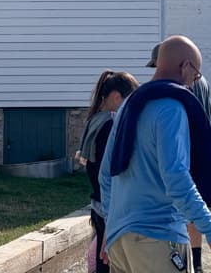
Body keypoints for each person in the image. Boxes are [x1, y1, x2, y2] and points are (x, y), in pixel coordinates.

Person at [99, 35, 211, 273]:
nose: (193, 83)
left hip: (120, 241)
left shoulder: (128, 107)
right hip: (157, 237)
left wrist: (112, 224)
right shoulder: (171, 108)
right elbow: (177, 178)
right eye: (196, 74)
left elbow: (106, 175)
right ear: (186, 66)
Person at [146, 42, 211, 273]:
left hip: (185, 151)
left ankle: (192, 260)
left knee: (186, 207)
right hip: (199, 150)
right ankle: (196, 260)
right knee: (195, 207)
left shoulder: (178, 94)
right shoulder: (203, 83)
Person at [77, 70, 139, 273]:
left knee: (98, 260)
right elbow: (110, 170)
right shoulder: (110, 124)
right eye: (127, 101)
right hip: (109, 206)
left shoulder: (95, 120)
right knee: (106, 261)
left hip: (97, 203)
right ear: (116, 97)